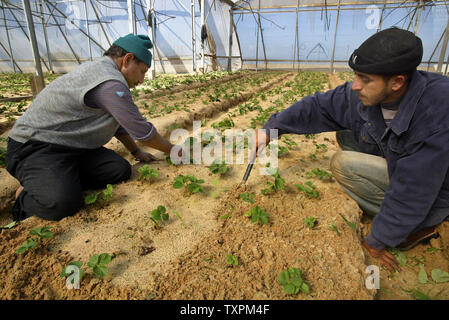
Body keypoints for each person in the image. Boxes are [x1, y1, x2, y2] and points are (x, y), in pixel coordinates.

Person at [252, 27, 449, 272]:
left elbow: (413, 193)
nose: (355, 86)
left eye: (365, 79)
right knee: (347, 132)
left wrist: (376, 243)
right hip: (404, 162)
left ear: (397, 82)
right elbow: (319, 107)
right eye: (356, 75)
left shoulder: (436, 112)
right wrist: (271, 129)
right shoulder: (373, 92)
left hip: (436, 193)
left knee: (343, 164)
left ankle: (419, 228)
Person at [6, 34, 180, 222]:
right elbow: (143, 133)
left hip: (72, 146)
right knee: (62, 203)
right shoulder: (110, 82)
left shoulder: (103, 71)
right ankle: (23, 196)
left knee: (119, 169)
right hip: (35, 146)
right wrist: (176, 151)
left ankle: (60, 179)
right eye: (142, 71)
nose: (142, 80)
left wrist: (136, 151)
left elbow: (118, 125)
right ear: (127, 59)